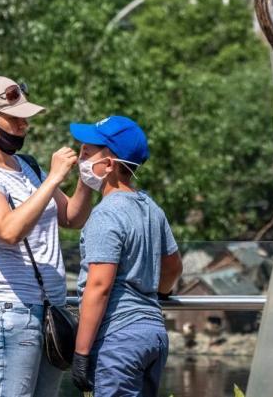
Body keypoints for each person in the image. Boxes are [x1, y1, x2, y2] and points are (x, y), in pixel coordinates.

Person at [0, 76, 93, 396]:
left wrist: (85, 179)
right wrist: (54, 177)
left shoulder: (27, 166)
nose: (23, 125)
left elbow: (71, 217)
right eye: (14, 119)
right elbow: (9, 230)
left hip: (49, 310)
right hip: (10, 312)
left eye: (25, 118)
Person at [69, 115, 183, 396]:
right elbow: (173, 267)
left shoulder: (105, 214)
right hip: (153, 334)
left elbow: (100, 285)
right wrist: (156, 292)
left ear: (108, 165)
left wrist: (81, 354)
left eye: (86, 153)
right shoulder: (151, 208)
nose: (79, 160)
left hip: (117, 338)